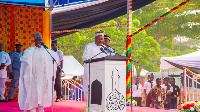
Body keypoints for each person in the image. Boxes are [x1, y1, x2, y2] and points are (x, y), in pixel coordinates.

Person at [18, 32, 57, 112]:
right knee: (33, 97)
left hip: (42, 78)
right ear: (35, 40)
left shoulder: (45, 51)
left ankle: (41, 109)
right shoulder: (30, 50)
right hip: (33, 79)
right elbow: (23, 60)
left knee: (41, 98)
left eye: (41, 39)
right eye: (38, 39)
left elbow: (54, 57)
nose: (40, 40)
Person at [82, 30, 107, 107]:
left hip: (100, 73)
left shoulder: (104, 48)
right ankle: (89, 109)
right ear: (95, 38)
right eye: (99, 39)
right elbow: (85, 58)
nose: (100, 41)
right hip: (91, 72)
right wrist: (95, 61)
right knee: (90, 92)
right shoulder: (89, 46)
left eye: (102, 39)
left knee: (100, 92)